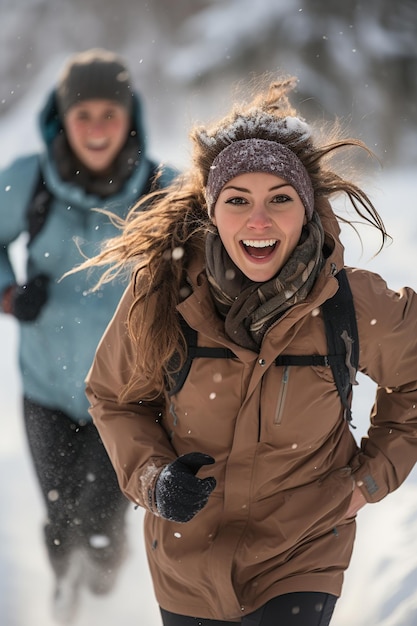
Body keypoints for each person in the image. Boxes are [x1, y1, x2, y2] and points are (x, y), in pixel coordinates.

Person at [82, 76, 417, 626]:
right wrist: (154, 479)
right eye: (238, 200)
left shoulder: (350, 303)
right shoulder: (161, 296)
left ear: (305, 211)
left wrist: (369, 479)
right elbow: (113, 397)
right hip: (187, 563)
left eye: (280, 200)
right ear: (213, 211)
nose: (258, 222)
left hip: (302, 552)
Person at [0, 48, 177, 624]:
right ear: (60, 119)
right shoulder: (27, 182)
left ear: (131, 117)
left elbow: (211, 266)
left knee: (102, 521)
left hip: (126, 395)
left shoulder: (164, 190)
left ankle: (99, 583)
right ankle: (63, 603)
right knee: (60, 518)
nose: (97, 129)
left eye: (109, 113)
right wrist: (8, 292)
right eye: (84, 115)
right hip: (46, 388)